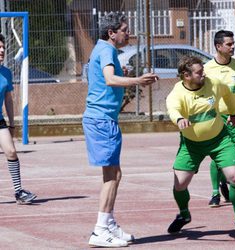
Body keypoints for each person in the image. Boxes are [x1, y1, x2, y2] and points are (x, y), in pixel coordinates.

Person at [82, 12, 158, 248]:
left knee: (115, 175)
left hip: (103, 119)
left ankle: (109, 222)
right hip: (101, 120)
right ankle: (100, 230)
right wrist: (137, 80)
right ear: (111, 33)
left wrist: (123, 76)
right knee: (112, 176)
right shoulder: (106, 50)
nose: (128, 33)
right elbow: (109, 80)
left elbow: (105, 78)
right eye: (124, 29)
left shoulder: (104, 49)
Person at [166, 55, 235, 234]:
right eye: (199, 73)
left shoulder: (213, 83)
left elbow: (228, 93)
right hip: (191, 145)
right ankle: (184, 214)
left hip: (220, 140)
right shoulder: (178, 93)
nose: (203, 75)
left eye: (203, 71)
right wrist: (180, 119)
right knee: (180, 184)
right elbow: (173, 109)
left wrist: (234, 112)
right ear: (186, 75)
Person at [204, 30, 235, 207]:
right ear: (218, 46)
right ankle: (215, 193)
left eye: (233, 44)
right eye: (229, 44)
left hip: (234, 117)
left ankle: (224, 181)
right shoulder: (207, 69)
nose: (233, 47)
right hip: (215, 118)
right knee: (218, 157)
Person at [0, 34, 36, 204]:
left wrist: (12, 123)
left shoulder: (6, 73)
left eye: (3, 48)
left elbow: (8, 99)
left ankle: (19, 192)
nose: (1, 51)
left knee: (12, 152)